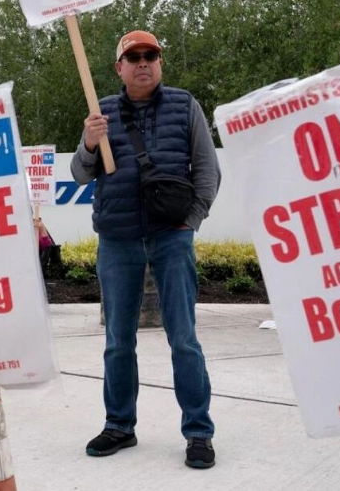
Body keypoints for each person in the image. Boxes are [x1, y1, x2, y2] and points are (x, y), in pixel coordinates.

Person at [70, 30, 221, 468]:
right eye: (132, 56)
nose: (142, 62)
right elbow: (81, 174)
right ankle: (119, 424)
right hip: (117, 239)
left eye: (150, 55)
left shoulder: (185, 105)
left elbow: (208, 171)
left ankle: (198, 432)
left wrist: (189, 223)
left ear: (160, 62)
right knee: (118, 341)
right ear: (119, 67)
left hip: (171, 236)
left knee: (184, 339)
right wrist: (88, 141)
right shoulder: (101, 113)